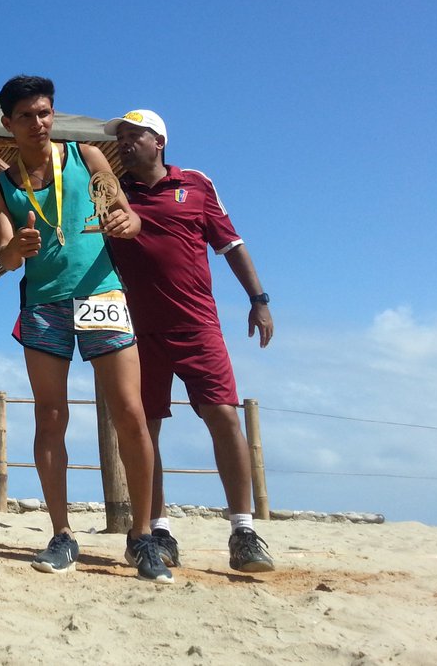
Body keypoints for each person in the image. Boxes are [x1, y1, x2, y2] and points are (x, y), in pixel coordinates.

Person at [0, 75, 171, 583]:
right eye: (26, 116)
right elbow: (4, 256)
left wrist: (128, 224)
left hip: (101, 294)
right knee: (50, 416)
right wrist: (15, 249)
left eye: (44, 112)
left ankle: (142, 536)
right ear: (8, 124)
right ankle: (62, 534)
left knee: (130, 412)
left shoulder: (87, 156)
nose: (38, 123)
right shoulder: (0, 187)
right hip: (44, 304)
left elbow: (127, 216)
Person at [104, 109, 276, 573]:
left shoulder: (196, 184)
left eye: (134, 135)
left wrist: (258, 299)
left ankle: (243, 531)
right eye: (120, 137)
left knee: (223, 415)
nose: (124, 143)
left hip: (198, 326)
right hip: (136, 333)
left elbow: (231, 245)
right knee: (145, 428)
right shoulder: (111, 193)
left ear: (158, 141)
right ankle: (158, 530)